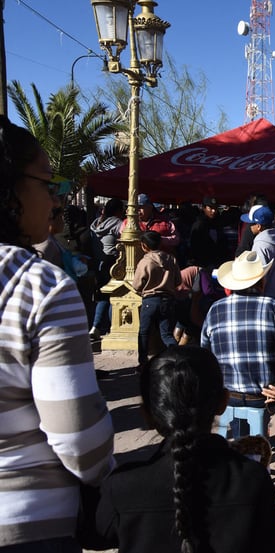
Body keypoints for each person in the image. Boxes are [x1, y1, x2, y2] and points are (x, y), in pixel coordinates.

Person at [0, 115, 115, 550]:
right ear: (10, 188)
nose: (54, 200)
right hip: (27, 521)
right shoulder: (38, 285)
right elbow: (78, 440)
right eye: (48, 184)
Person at [92, 347, 275, 553]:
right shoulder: (252, 479)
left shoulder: (123, 486)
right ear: (223, 402)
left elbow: (94, 535)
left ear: (147, 414)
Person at [201, 251, 275, 455]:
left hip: (228, 394)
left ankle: (242, 441)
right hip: (265, 394)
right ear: (262, 281)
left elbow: (205, 352)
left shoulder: (214, 310)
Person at [133, 230, 182, 367]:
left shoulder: (145, 262)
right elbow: (178, 281)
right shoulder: (171, 259)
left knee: (144, 333)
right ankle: (176, 357)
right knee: (166, 334)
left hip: (150, 300)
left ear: (144, 246)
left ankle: (142, 362)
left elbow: (137, 285)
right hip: (168, 300)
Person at [242, 204, 275, 303]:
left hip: (267, 301)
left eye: (251, 223)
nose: (249, 226)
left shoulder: (260, 245)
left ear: (258, 226)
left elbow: (259, 278)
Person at [89, 198, 124, 338]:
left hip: (98, 262)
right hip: (112, 263)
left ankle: (96, 326)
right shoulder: (117, 223)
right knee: (114, 294)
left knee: (102, 295)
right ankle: (113, 326)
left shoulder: (96, 223)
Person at [189, 196, 228, 268]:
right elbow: (194, 246)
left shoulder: (218, 223)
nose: (213, 211)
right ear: (204, 208)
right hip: (203, 264)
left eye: (215, 208)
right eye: (210, 208)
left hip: (217, 262)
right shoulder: (199, 225)